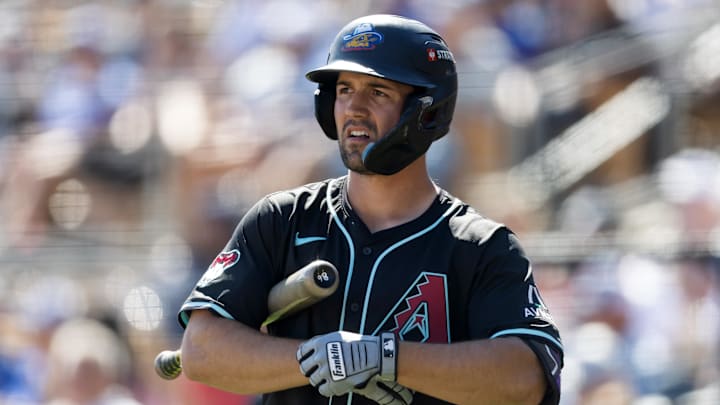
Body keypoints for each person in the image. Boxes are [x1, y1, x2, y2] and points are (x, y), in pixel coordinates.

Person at [177, 14, 563, 405]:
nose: (354, 108)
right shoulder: (282, 219)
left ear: (427, 111)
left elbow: (527, 378)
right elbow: (201, 350)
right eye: (344, 90)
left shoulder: (480, 246)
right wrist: (319, 358)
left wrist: (387, 358)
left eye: (377, 92)